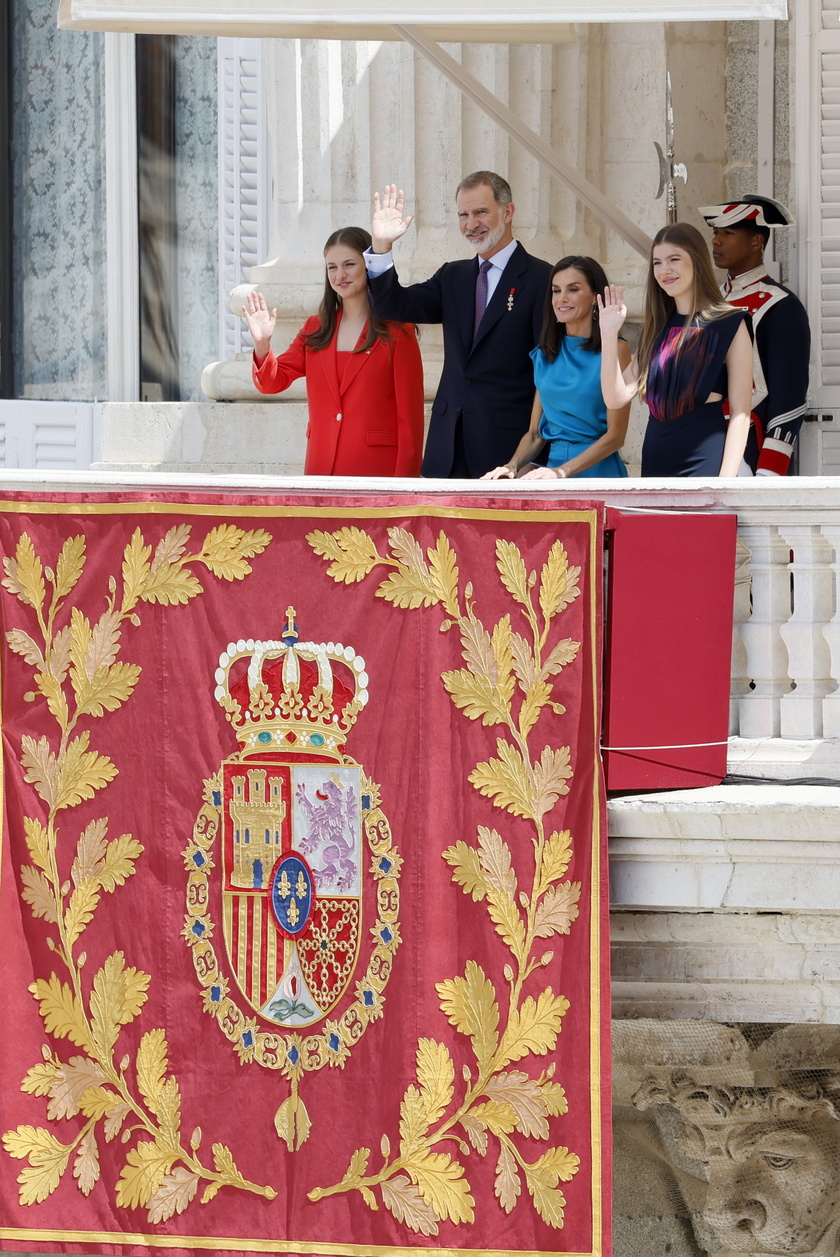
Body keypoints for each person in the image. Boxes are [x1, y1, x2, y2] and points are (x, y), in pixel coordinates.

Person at [365, 174, 552, 478]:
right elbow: (392, 305)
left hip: (507, 453)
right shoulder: (453, 277)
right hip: (447, 449)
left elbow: (550, 372)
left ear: (508, 212)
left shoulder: (542, 279)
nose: (470, 224)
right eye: (463, 215)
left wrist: (537, 457)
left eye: (480, 212)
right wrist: (382, 246)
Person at [246, 226, 424, 477]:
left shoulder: (397, 330)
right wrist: (262, 345)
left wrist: (405, 488)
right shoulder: (316, 328)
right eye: (332, 267)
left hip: (378, 473)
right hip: (321, 470)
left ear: (367, 265)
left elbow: (410, 419)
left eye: (349, 264)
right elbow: (271, 382)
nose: (340, 274)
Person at [599, 222, 755, 478]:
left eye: (674, 259)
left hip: (705, 460)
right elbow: (615, 398)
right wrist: (608, 333)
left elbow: (741, 412)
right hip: (655, 457)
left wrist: (725, 483)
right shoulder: (657, 327)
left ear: (696, 261)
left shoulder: (730, 323)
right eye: (657, 262)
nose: (664, 270)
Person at [482, 256, 631, 480]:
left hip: (599, 474)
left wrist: (562, 472)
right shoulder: (544, 354)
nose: (562, 299)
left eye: (573, 290)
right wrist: (511, 466)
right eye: (556, 290)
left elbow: (615, 437)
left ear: (594, 297)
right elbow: (535, 434)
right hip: (550, 476)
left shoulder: (616, 349)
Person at [700, 195, 811, 476]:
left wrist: (770, 469)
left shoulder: (782, 305)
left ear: (756, 242)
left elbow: (790, 397)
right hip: (703, 441)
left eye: (728, 233)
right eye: (715, 233)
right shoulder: (709, 303)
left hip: (752, 446)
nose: (716, 241)